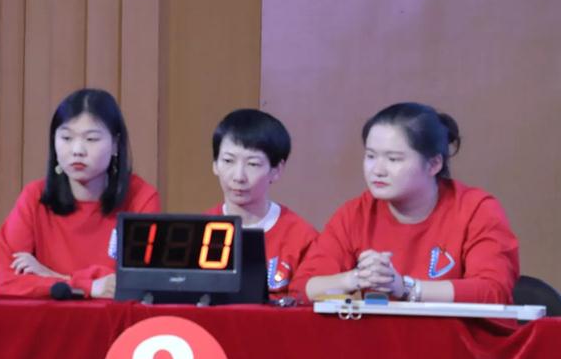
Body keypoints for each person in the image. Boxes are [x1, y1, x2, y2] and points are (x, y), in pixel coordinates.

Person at [291, 102, 519, 304]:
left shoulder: (476, 209)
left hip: (457, 337)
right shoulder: (356, 214)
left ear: (434, 164)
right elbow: (301, 289)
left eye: (393, 159)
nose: (377, 170)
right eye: (370, 156)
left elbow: (493, 290)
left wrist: (406, 288)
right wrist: (356, 278)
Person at [0, 88, 161, 298]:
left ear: (115, 145)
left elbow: (135, 285)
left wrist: (52, 276)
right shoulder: (34, 197)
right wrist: (89, 286)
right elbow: (7, 282)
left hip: (116, 318)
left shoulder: (141, 198)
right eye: (66, 138)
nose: (77, 150)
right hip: (49, 318)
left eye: (91, 139)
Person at [207, 108, 318, 297]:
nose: (238, 176)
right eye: (228, 161)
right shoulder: (200, 231)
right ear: (215, 165)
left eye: (253, 164)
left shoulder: (302, 238)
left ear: (276, 170)